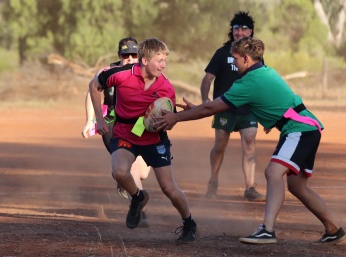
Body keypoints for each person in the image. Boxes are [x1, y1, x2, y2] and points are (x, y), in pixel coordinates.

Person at [154, 37, 346, 245]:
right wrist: (196, 110)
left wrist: (176, 117)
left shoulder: (249, 81)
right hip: (305, 127)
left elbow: (211, 108)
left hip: (299, 129)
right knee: (297, 186)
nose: (234, 63)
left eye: (235, 59)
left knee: (273, 172)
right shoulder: (264, 72)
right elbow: (218, 106)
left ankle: (268, 230)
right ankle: (332, 229)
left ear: (246, 58)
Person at [89, 38, 197, 243]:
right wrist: (99, 118)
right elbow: (94, 85)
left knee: (169, 188)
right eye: (160, 60)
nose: (163, 65)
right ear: (145, 60)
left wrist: (166, 122)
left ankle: (189, 222)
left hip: (154, 138)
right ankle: (137, 197)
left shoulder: (166, 87)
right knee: (119, 172)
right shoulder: (121, 75)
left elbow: (171, 121)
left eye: (165, 60)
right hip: (125, 132)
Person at [200, 11, 265, 201]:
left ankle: (250, 187)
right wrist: (206, 101)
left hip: (248, 108)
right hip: (224, 107)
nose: (239, 32)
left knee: (249, 144)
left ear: (250, 31)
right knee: (220, 145)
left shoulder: (256, 56)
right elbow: (207, 79)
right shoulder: (222, 53)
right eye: (236, 28)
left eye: (243, 28)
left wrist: (264, 111)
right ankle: (213, 181)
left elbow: (261, 81)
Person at [81, 37, 151, 200]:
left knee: (143, 172)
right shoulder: (107, 72)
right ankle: (139, 208)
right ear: (119, 55)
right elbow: (92, 92)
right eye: (126, 56)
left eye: (134, 55)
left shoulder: (145, 73)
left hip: (138, 122)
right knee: (131, 163)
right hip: (112, 122)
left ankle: (121, 176)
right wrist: (91, 120)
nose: (130, 59)